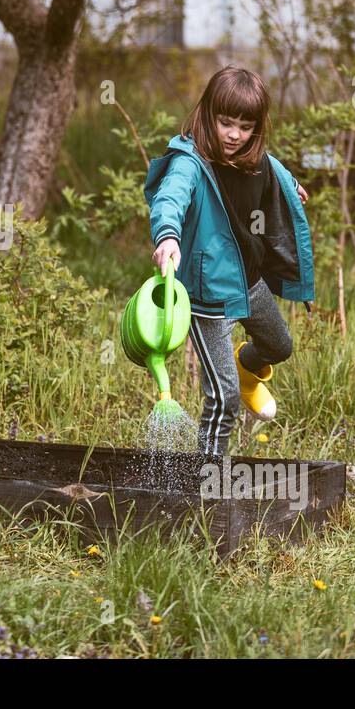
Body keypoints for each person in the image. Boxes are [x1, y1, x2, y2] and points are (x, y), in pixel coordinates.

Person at [144, 67, 314, 458]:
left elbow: (274, 166)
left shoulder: (255, 159)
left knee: (278, 346)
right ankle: (210, 480)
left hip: (248, 283)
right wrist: (167, 235)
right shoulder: (190, 162)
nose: (234, 135)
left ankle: (245, 367)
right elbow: (170, 197)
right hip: (207, 298)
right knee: (224, 397)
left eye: (245, 126)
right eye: (225, 123)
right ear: (207, 115)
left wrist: (291, 187)